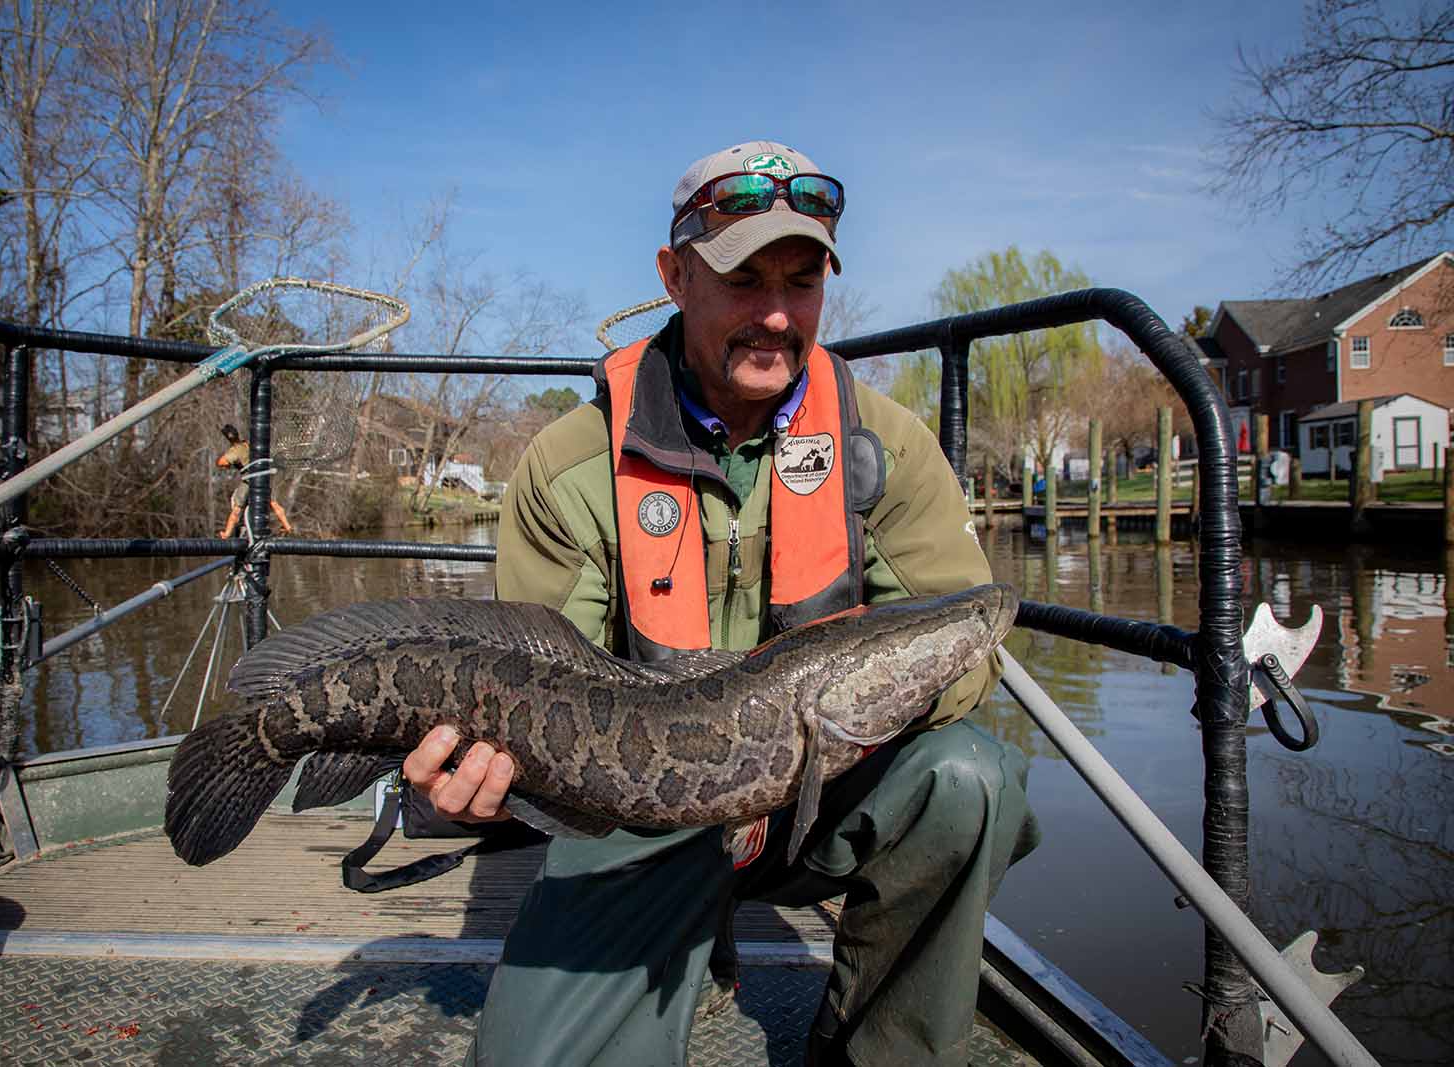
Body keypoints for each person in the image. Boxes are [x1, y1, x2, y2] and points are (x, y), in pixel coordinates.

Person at [402, 140, 1039, 1067]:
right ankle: (680, 928)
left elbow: (965, 644)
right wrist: (476, 793)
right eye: (744, 278)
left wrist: (858, 703)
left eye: (803, 278)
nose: (776, 313)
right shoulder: (570, 465)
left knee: (969, 781)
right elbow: (531, 684)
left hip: (817, 792)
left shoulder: (887, 447)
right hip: (634, 809)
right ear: (675, 276)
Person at [216, 424, 293, 538]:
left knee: (237, 508)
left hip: (249, 481)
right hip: (262, 479)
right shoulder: (246, 443)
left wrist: (229, 464)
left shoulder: (234, 451)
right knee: (273, 503)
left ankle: (226, 533)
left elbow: (221, 462)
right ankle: (287, 526)